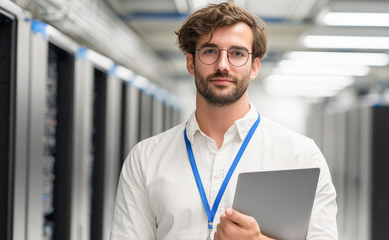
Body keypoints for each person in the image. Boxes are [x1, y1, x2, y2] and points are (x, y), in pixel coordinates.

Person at [110, 2, 338, 240]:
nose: (222, 65)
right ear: (190, 63)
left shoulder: (300, 157)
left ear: (254, 67)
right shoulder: (145, 159)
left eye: (237, 53)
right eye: (210, 51)